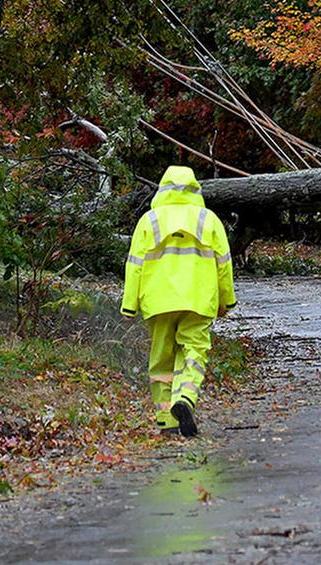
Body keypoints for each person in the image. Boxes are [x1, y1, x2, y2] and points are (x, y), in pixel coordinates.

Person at [122, 166, 236, 437]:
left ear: (162, 189)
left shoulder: (149, 221)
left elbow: (134, 264)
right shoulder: (209, 220)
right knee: (193, 352)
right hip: (198, 299)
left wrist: (129, 304)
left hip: (158, 301)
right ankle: (184, 397)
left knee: (161, 358)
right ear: (196, 189)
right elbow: (224, 263)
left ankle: (165, 419)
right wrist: (227, 300)